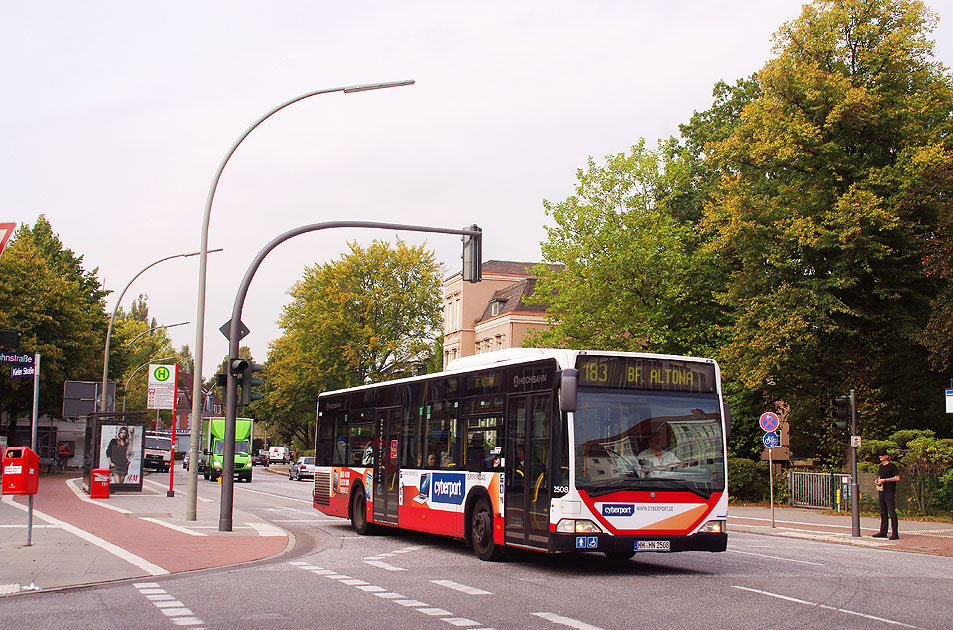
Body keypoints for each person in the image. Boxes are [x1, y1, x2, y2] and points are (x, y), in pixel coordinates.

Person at [873, 448, 900, 540]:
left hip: (889, 491)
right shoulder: (881, 467)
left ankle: (895, 533)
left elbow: (897, 478)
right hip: (881, 490)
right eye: (880, 455)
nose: (880, 457)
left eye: (882, 455)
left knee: (891, 512)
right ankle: (883, 531)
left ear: (887, 456)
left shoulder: (892, 466)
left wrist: (885, 480)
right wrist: (878, 480)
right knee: (883, 511)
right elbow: (881, 476)